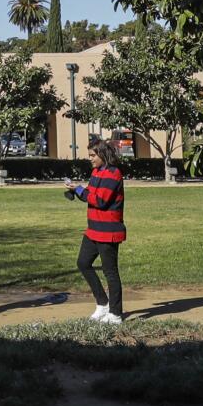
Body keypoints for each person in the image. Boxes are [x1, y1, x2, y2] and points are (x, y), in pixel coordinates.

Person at [66, 138, 127, 322]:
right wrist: (75, 190)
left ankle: (116, 314)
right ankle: (103, 304)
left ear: (102, 154)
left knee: (110, 272)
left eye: (93, 155)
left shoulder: (113, 173)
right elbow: (90, 195)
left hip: (108, 231)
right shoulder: (96, 172)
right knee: (83, 263)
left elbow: (100, 200)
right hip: (93, 229)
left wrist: (79, 190)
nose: (90, 159)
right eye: (90, 155)